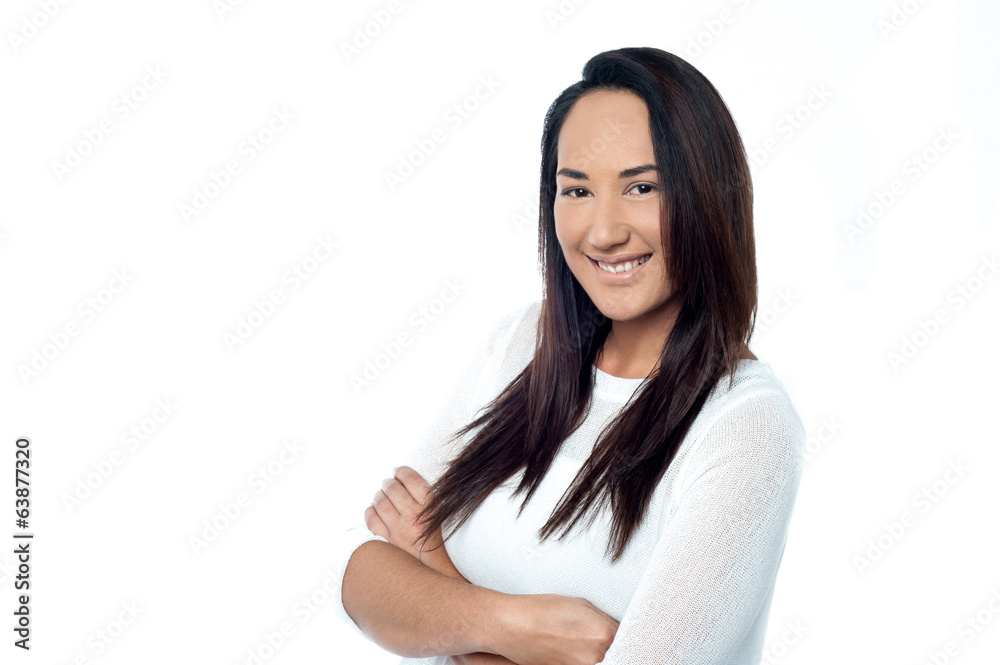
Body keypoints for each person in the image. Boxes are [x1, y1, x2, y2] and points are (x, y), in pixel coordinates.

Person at [332, 46, 806, 665]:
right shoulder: (521, 343)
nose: (604, 232)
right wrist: (513, 626)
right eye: (576, 190)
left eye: (642, 187)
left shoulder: (746, 427)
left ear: (709, 195)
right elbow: (359, 567)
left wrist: (433, 577)